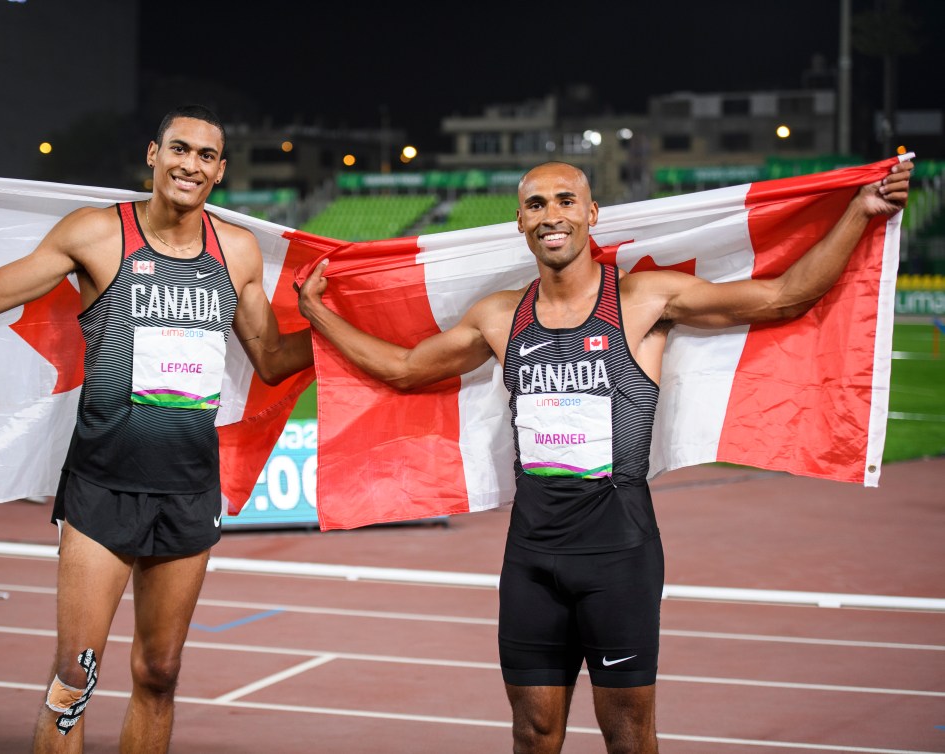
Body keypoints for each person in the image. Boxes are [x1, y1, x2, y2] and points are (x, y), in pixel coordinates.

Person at [297, 158, 912, 753]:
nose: (551, 214)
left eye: (566, 200)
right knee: (533, 734)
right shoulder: (499, 315)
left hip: (618, 557)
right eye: (535, 204)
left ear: (592, 213)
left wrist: (861, 210)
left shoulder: (644, 299)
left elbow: (783, 298)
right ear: (519, 222)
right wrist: (317, 311)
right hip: (532, 558)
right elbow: (405, 369)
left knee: (627, 736)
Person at [0, 104, 314, 752]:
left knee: (160, 673)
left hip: (186, 492)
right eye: (179, 149)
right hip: (103, 487)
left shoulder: (234, 252)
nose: (191, 164)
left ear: (220, 171)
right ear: (154, 156)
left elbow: (269, 359)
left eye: (206, 155)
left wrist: (331, 329)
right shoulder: (97, 235)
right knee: (74, 679)